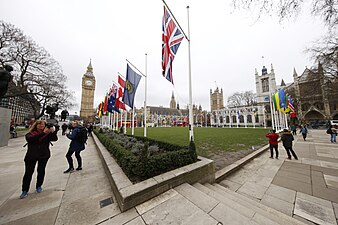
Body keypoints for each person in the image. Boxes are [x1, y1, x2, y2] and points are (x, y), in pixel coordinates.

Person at [20, 120, 58, 199]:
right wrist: (43, 133)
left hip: (43, 155)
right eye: (40, 124)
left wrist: (53, 131)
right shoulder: (31, 134)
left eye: (43, 124)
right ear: (36, 125)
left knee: (41, 171)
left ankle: (39, 186)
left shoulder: (47, 133)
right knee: (28, 173)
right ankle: (25, 190)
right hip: (31, 156)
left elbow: (55, 139)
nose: (41, 126)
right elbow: (31, 139)